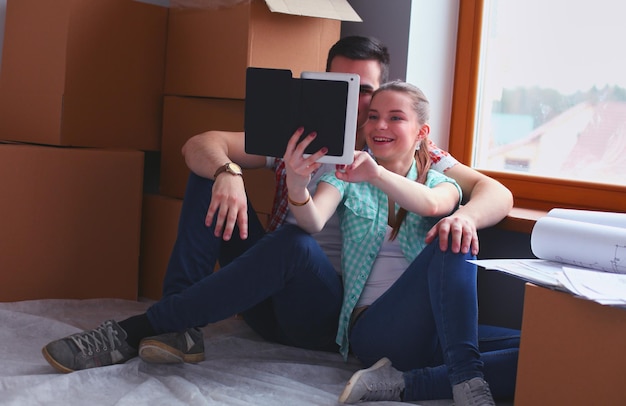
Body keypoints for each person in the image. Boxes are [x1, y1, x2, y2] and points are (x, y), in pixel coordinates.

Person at [41, 36, 518, 402]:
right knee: (212, 177)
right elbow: (200, 144)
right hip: (275, 278)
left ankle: (419, 382)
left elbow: (492, 192)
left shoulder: (419, 156)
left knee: (300, 244)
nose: (358, 109)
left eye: (366, 95)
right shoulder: (301, 136)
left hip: (323, 308)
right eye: (341, 89)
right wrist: (230, 171)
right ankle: (173, 323)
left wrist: (467, 218)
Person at [283, 81, 510, 405]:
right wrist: (296, 185)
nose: (380, 126)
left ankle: (410, 385)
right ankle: (466, 381)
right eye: (373, 116)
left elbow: (432, 204)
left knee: (536, 353)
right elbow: (313, 220)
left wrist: (462, 216)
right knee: (452, 240)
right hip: (375, 330)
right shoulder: (346, 177)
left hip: (434, 332)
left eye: (395, 118)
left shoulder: (440, 182)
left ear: (422, 132)